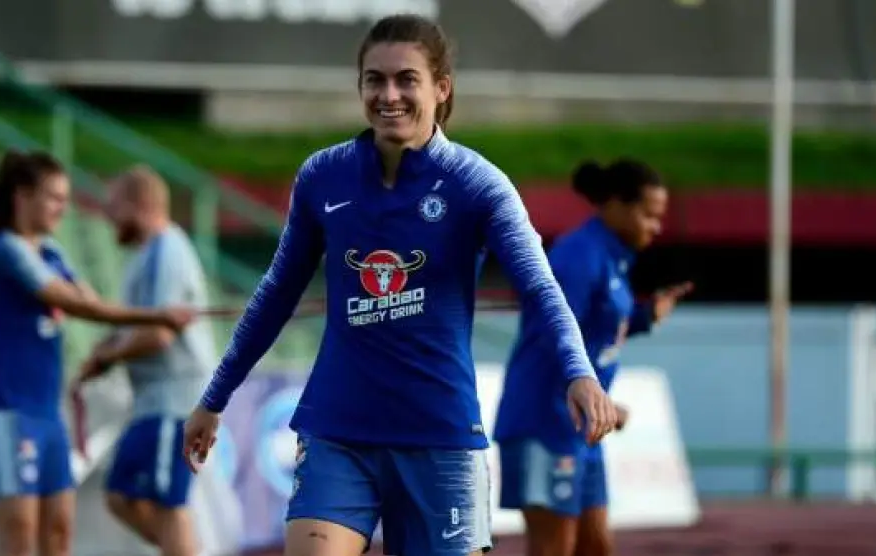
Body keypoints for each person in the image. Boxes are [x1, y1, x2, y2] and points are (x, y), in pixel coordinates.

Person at [182, 14, 618, 556]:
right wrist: (215, 398)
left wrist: (579, 372)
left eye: (406, 79)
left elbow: (541, 288)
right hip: (337, 434)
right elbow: (276, 294)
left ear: (441, 88)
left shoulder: (478, 184)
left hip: (441, 440)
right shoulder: (322, 176)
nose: (389, 95)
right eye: (375, 80)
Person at [0, 150, 195, 556]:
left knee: (59, 532)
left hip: (47, 415)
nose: (63, 208)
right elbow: (76, 305)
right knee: (19, 534)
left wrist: (107, 351)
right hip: (6, 410)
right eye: (54, 197)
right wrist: (158, 315)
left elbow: (90, 300)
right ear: (23, 196)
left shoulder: (52, 252)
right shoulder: (6, 249)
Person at [493, 158, 693, 556]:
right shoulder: (578, 257)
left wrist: (644, 317)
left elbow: (592, 328)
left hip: (581, 427)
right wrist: (599, 401)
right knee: (554, 548)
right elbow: (552, 332)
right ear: (616, 205)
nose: (656, 227)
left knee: (596, 546)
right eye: (649, 215)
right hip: (544, 421)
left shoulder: (613, 256)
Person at [73, 166, 216, 556]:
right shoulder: (147, 255)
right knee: (122, 496)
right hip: (157, 402)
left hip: (176, 401)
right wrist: (106, 352)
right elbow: (140, 325)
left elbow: (159, 334)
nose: (108, 216)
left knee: (167, 505)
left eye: (114, 206)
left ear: (139, 205)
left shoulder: (165, 251)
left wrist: (108, 357)